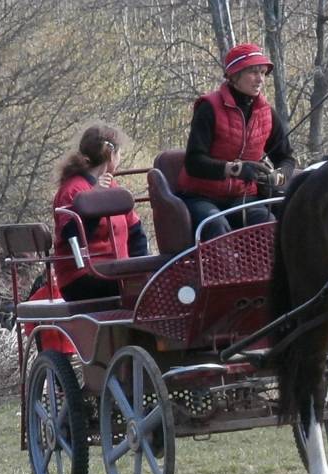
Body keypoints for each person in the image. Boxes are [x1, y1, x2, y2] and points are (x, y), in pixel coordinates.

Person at [177, 42, 295, 240]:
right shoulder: (209, 108)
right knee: (216, 226)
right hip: (201, 196)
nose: (260, 79)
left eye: (263, 72)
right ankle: (222, 272)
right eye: (253, 72)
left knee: (266, 225)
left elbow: (286, 158)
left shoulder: (267, 113)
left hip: (244, 198)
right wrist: (235, 169)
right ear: (234, 76)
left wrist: (277, 178)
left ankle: (264, 272)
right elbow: (193, 162)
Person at [52, 123, 149, 301]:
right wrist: (93, 202)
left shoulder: (112, 187)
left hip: (115, 269)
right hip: (83, 276)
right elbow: (72, 236)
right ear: (111, 155)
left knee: (156, 280)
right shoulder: (72, 189)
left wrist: (144, 267)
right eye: (119, 153)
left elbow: (135, 231)